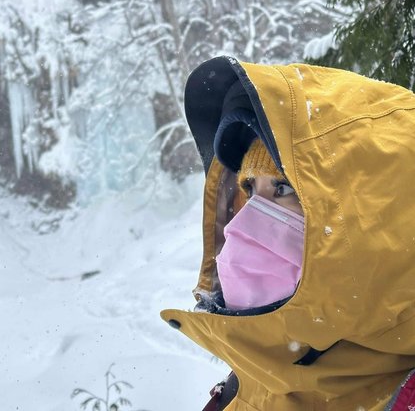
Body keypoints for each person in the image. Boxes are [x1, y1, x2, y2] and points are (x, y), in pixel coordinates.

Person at [160, 56, 415, 410]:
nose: (241, 224)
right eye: (250, 190)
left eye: (282, 189)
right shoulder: (253, 381)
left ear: (376, 216)